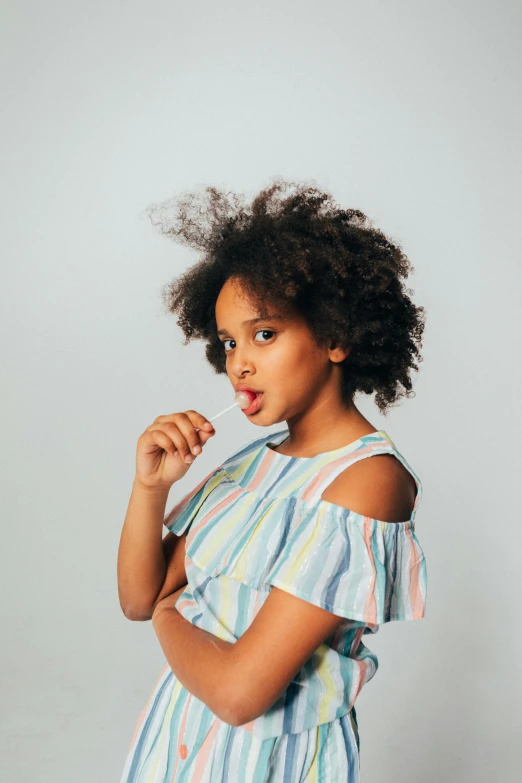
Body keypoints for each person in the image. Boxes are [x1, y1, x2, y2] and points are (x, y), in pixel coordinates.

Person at [117, 179, 428, 782]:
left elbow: (239, 695)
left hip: (266, 764)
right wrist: (150, 487)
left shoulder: (368, 483)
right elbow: (138, 596)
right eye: (229, 342)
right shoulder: (249, 465)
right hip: (172, 747)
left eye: (264, 334)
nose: (239, 361)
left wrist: (168, 614)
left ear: (336, 335)